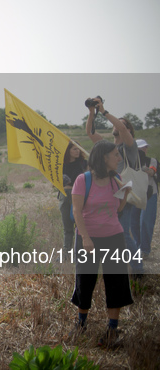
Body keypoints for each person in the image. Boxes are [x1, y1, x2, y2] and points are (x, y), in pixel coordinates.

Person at [70, 140, 134, 348]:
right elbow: (77, 212)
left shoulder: (116, 179)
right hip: (88, 238)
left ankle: (112, 329)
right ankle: (81, 323)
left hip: (114, 237)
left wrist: (124, 193)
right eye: (115, 154)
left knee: (116, 281)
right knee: (85, 280)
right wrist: (85, 238)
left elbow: (118, 210)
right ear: (104, 157)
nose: (118, 157)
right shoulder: (83, 180)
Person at [86, 98, 143, 275]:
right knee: (114, 232)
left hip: (125, 193)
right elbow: (90, 132)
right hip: (109, 195)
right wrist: (91, 112)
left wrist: (104, 112)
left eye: (121, 123)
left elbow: (123, 129)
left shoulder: (129, 147)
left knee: (124, 233)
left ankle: (138, 268)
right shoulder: (108, 146)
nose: (117, 124)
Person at [130, 139, 157, 259]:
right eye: (142, 148)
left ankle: (144, 250)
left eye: (145, 147)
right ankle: (137, 247)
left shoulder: (152, 161)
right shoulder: (129, 161)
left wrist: (143, 167)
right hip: (133, 194)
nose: (144, 149)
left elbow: (152, 171)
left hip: (149, 194)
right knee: (133, 222)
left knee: (145, 221)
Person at [58, 142, 87, 253]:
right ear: (68, 151)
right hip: (65, 196)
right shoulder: (60, 164)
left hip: (79, 195)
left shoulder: (83, 164)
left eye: (78, 149)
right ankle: (66, 252)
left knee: (80, 225)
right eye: (75, 149)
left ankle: (79, 252)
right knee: (67, 226)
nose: (77, 151)